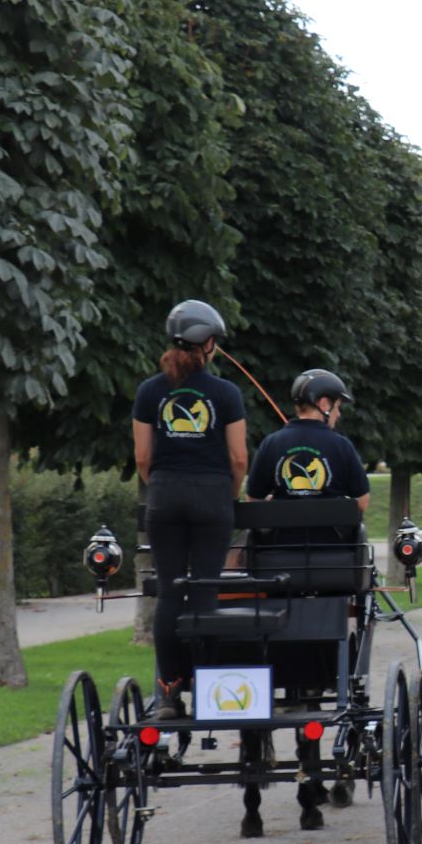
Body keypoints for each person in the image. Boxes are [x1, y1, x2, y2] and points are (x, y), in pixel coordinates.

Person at [132, 300, 247, 721]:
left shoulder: (149, 391)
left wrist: (163, 486)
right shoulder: (226, 393)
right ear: (210, 343)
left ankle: (168, 692)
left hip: (163, 497)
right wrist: (225, 494)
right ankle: (209, 683)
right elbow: (238, 459)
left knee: (169, 591)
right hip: (213, 496)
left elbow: (143, 457)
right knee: (204, 592)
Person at [246, 369, 371, 514]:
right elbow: (362, 502)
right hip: (331, 536)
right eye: (337, 407)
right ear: (324, 404)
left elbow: (253, 499)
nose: (338, 414)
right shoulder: (342, 446)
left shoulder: (271, 443)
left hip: (283, 536)